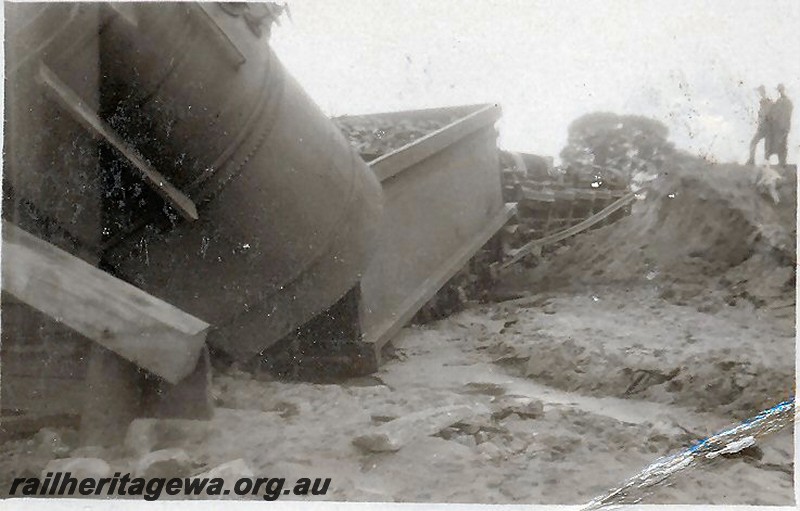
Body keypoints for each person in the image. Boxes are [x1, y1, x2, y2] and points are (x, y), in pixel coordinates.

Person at [767, 84, 793, 167]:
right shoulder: (780, 101)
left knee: (782, 144)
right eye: (779, 90)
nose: (779, 92)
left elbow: (787, 113)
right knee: (779, 144)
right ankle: (781, 162)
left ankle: (783, 163)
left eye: (780, 90)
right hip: (779, 126)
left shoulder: (786, 101)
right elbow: (774, 111)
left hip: (783, 126)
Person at [747, 85, 772, 165]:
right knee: (754, 143)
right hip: (762, 127)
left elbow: (768, 115)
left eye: (761, 91)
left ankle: (765, 163)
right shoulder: (762, 102)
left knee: (766, 146)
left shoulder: (768, 102)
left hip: (767, 128)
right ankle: (752, 160)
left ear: (763, 91)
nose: (760, 93)